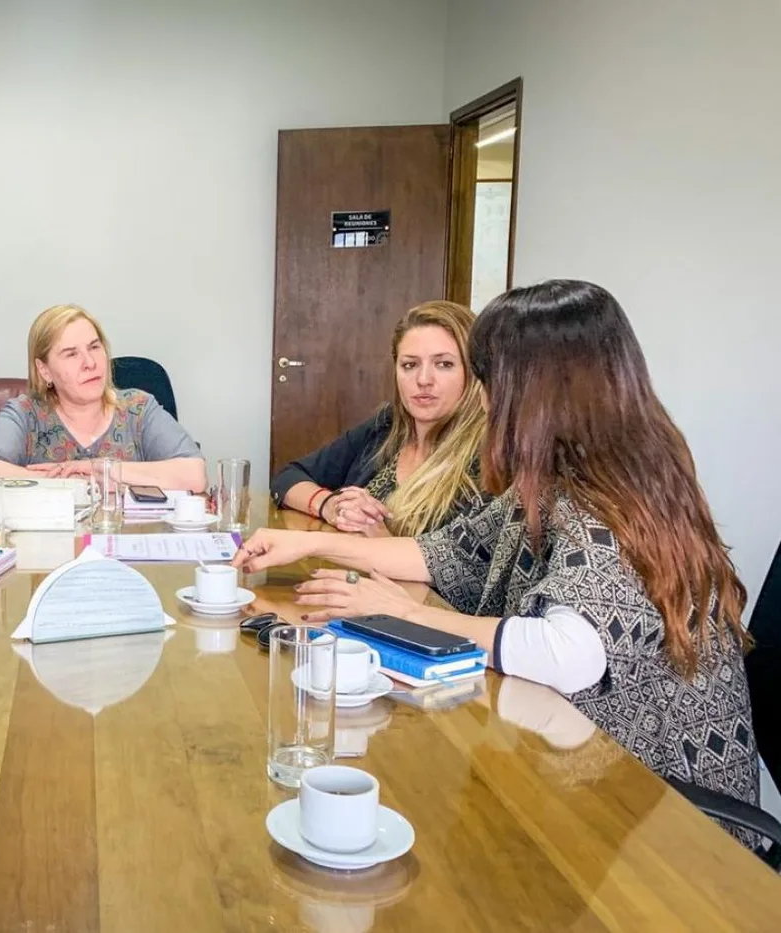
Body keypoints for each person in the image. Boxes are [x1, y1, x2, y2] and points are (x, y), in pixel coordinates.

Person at [235, 280, 758, 815]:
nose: (482, 398)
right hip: (571, 762)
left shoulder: (614, 496)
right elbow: (439, 553)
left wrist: (403, 613)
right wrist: (293, 541)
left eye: (485, 378)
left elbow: (569, 654)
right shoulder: (555, 474)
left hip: (658, 810)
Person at [271, 301, 487, 537]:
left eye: (444, 364)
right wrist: (329, 505)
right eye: (410, 365)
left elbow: (463, 569)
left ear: (474, 372)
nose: (424, 379)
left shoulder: (488, 461)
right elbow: (287, 478)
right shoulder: (387, 426)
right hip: (343, 568)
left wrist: (381, 538)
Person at [0, 304, 206, 491]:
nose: (90, 363)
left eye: (94, 347)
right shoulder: (27, 413)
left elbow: (195, 475)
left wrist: (97, 468)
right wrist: (73, 484)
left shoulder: (138, 408)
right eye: (71, 354)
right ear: (44, 370)